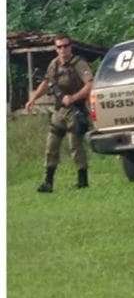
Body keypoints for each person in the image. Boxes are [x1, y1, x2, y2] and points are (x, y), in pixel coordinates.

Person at [24, 34, 94, 192]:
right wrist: (33, 98)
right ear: (56, 49)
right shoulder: (54, 64)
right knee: (51, 145)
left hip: (76, 109)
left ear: (70, 46)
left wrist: (74, 97)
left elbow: (90, 84)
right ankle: (48, 182)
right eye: (59, 46)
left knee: (75, 145)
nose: (63, 49)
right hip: (59, 111)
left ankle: (82, 181)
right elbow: (46, 82)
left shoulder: (79, 63)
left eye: (65, 45)